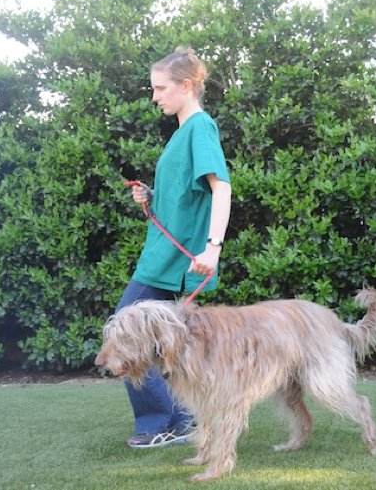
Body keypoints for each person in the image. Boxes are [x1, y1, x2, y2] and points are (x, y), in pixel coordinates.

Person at [116, 46, 231, 449]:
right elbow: (184, 194)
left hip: (170, 261)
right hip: (162, 257)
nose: (155, 96)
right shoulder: (183, 134)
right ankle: (181, 420)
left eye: (161, 88)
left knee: (126, 330)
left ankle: (165, 421)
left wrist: (213, 247)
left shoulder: (200, 128)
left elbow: (221, 187)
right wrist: (150, 194)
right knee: (163, 342)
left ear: (186, 86)